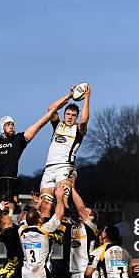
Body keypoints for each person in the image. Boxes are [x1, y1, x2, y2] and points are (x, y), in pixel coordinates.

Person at [0, 89, 71, 211]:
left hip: (9, 181)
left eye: (13, 124)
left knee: (7, 210)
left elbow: (39, 123)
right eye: (8, 124)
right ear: (2, 127)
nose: (11, 126)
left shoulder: (18, 139)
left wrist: (56, 108)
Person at [39, 84, 91, 218]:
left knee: (62, 198)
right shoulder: (58, 125)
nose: (69, 117)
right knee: (45, 205)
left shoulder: (79, 130)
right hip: (49, 169)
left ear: (76, 117)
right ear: (64, 114)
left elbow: (84, 120)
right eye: (67, 114)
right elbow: (51, 108)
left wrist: (87, 98)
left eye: (73, 115)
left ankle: (64, 232)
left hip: (64, 167)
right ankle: (47, 236)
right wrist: (69, 95)